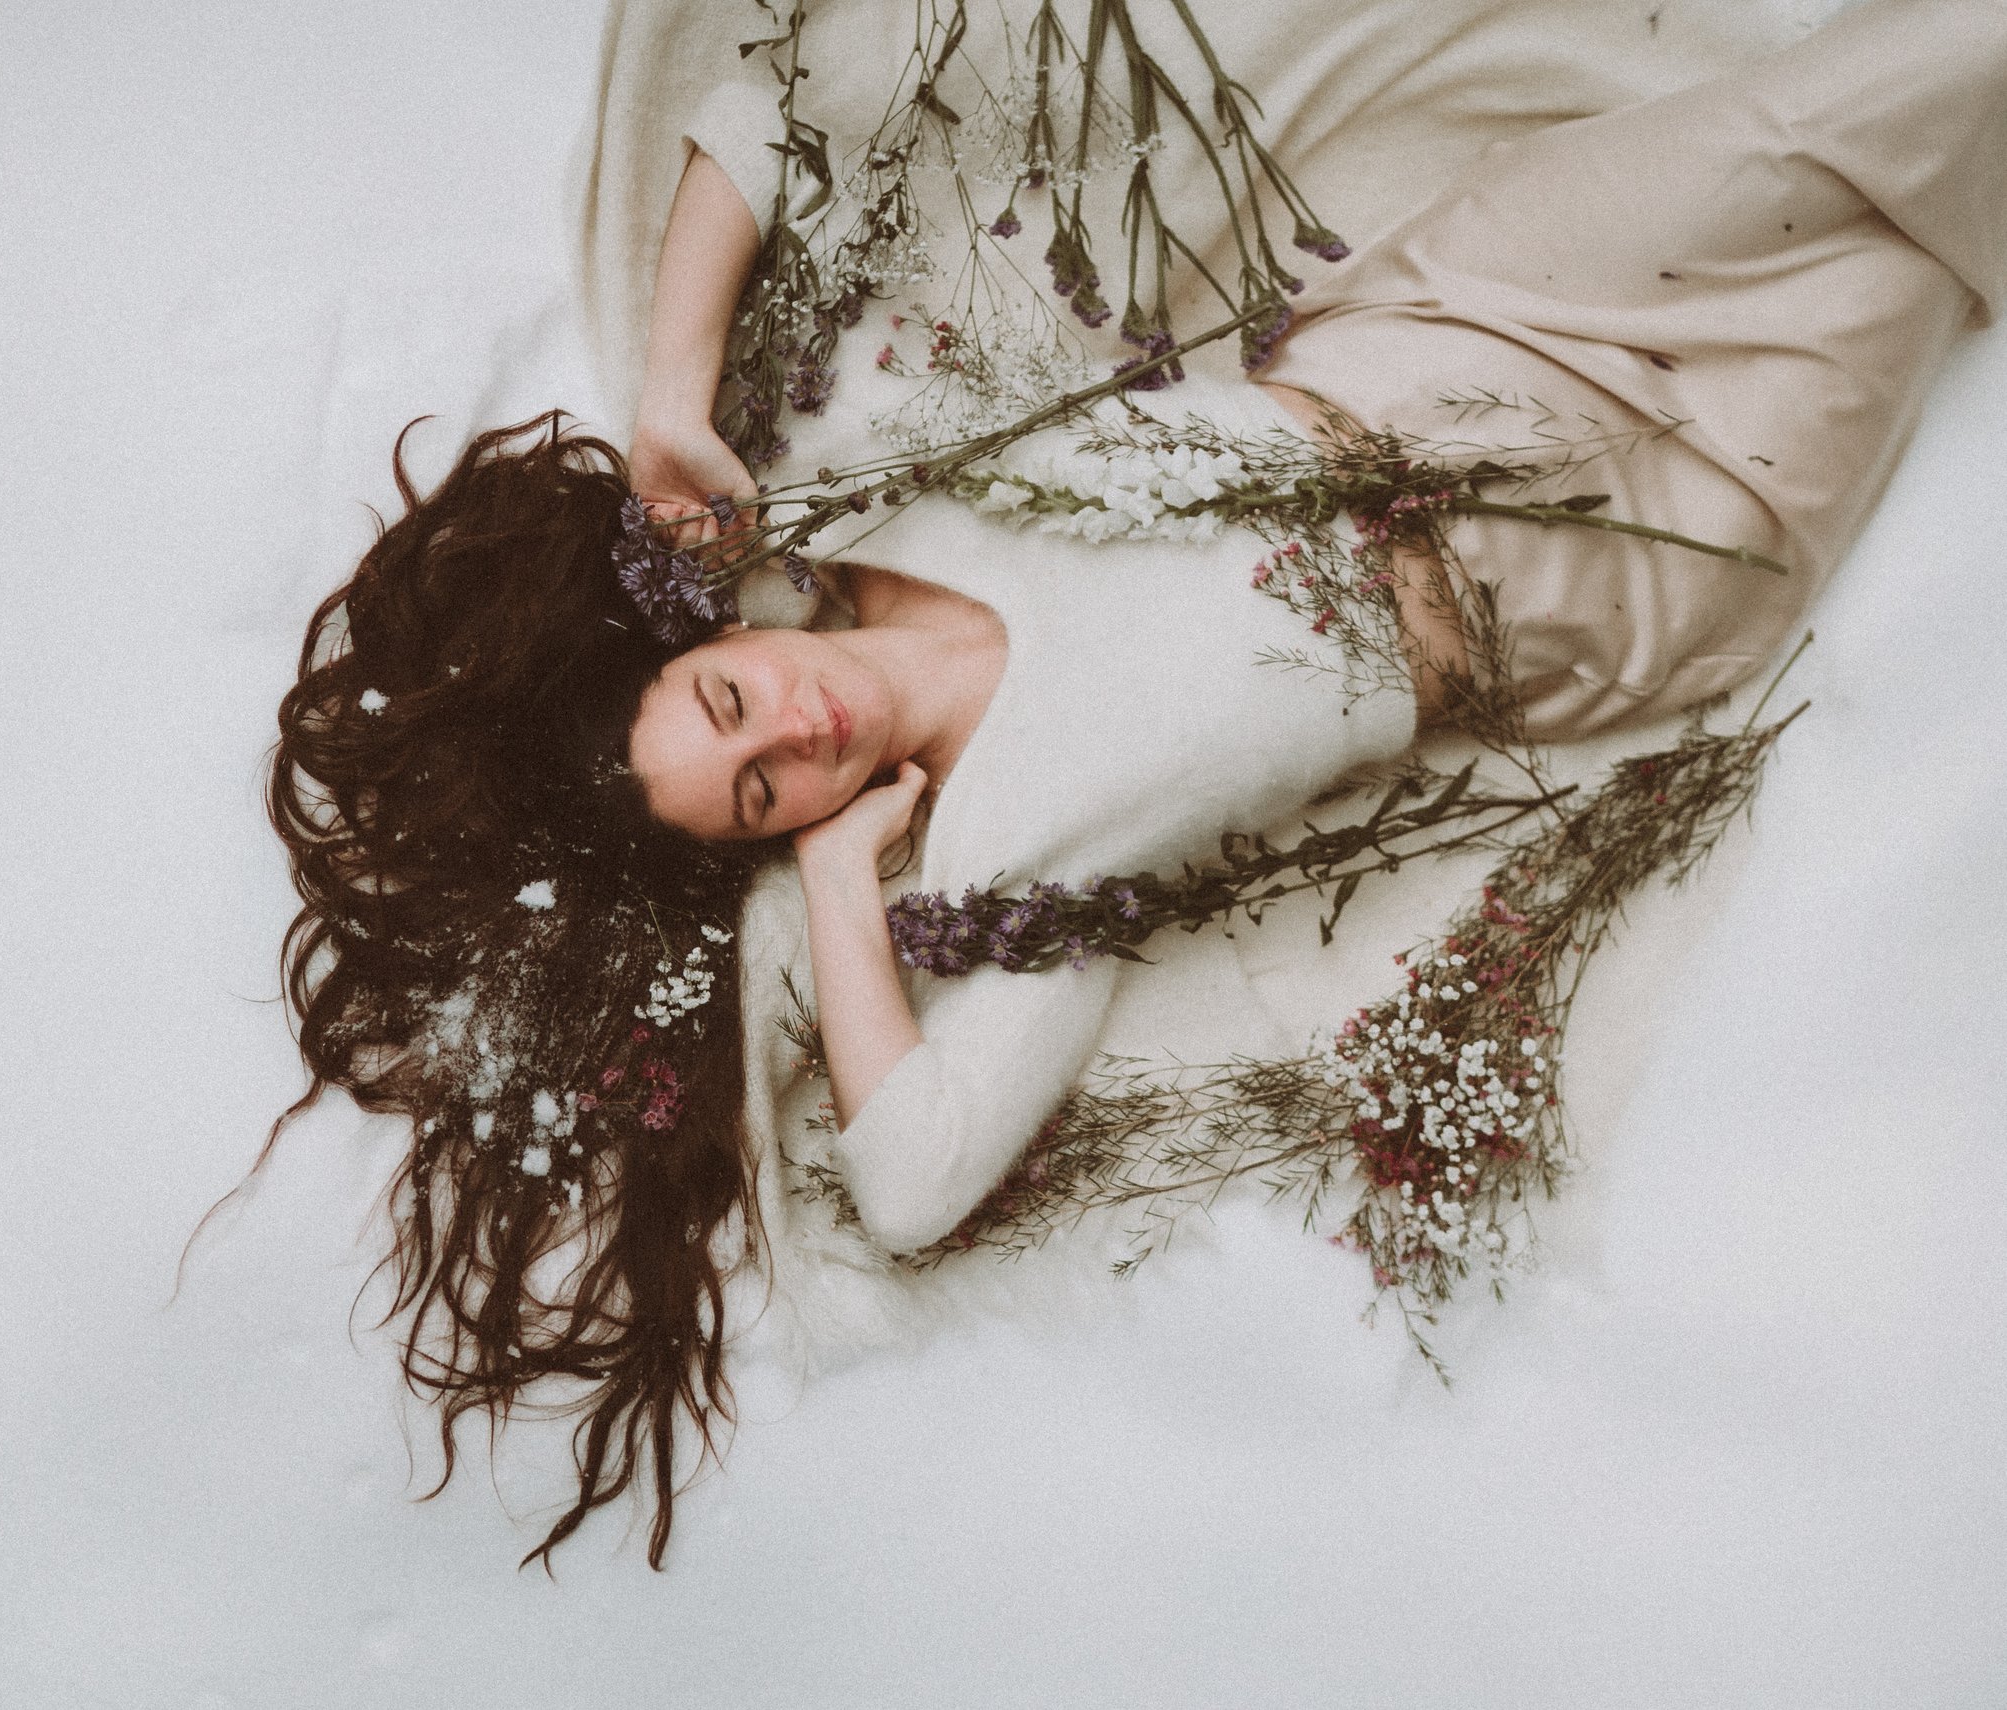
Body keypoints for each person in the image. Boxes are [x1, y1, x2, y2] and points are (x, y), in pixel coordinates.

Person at [264, 0, 2005, 1566]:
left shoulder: (860, 491)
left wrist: (670, 389)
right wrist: (859, 887)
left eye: (725, 698)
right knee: (1903, 265)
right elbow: (920, 1176)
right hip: (1619, 575)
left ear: (707, 636)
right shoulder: (1021, 857)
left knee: (1836, 115)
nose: (787, 730)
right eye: (760, 796)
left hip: (1472, 312)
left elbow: (775, 86)